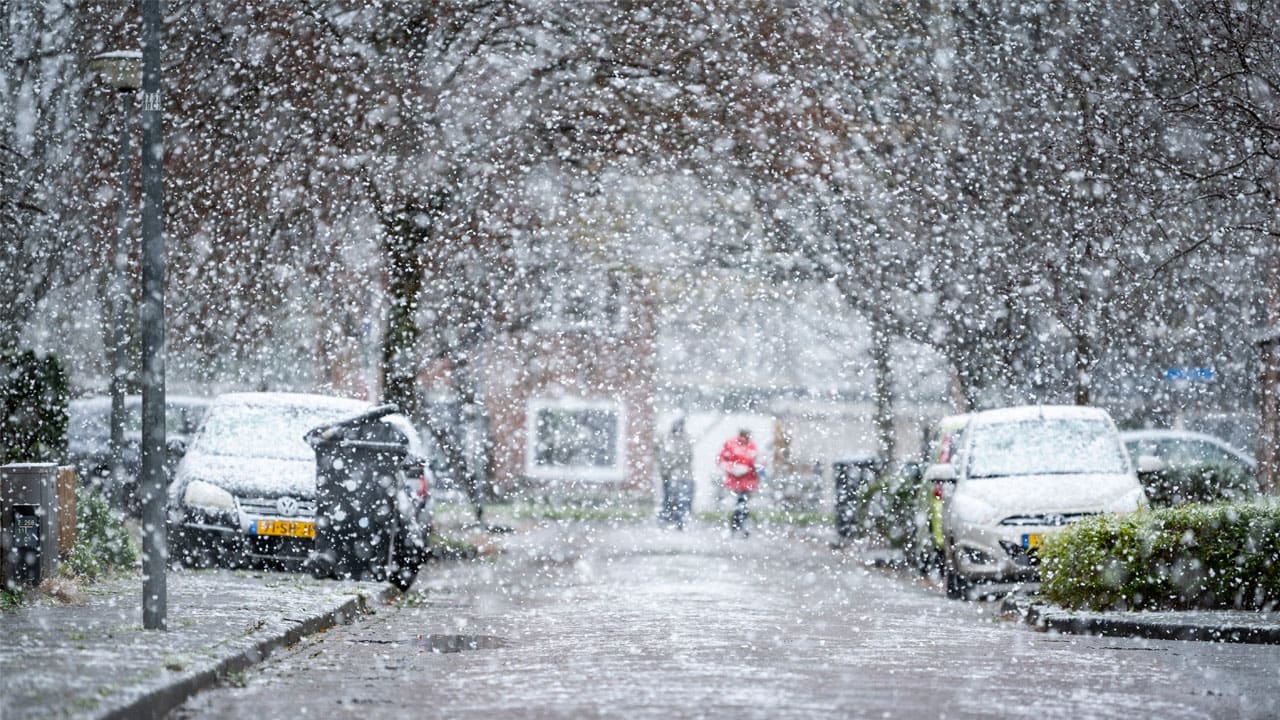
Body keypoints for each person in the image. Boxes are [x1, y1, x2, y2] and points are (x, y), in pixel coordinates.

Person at [717, 428, 761, 536]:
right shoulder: (731, 445)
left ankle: (739, 525)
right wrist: (734, 469)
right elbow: (721, 461)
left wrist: (755, 470)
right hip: (735, 482)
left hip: (749, 481)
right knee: (741, 503)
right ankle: (738, 526)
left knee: (743, 504)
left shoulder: (752, 447)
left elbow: (756, 463)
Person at [656, 417, 694, 529]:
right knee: (668, 497)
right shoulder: (666, 439)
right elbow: (661, 455)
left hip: (681, 475)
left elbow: (686, 456)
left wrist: (672, 464)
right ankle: (667, 518)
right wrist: (666, 467)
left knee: (679, 498)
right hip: (668, 474)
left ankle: (679, 520)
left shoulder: (685, 439)